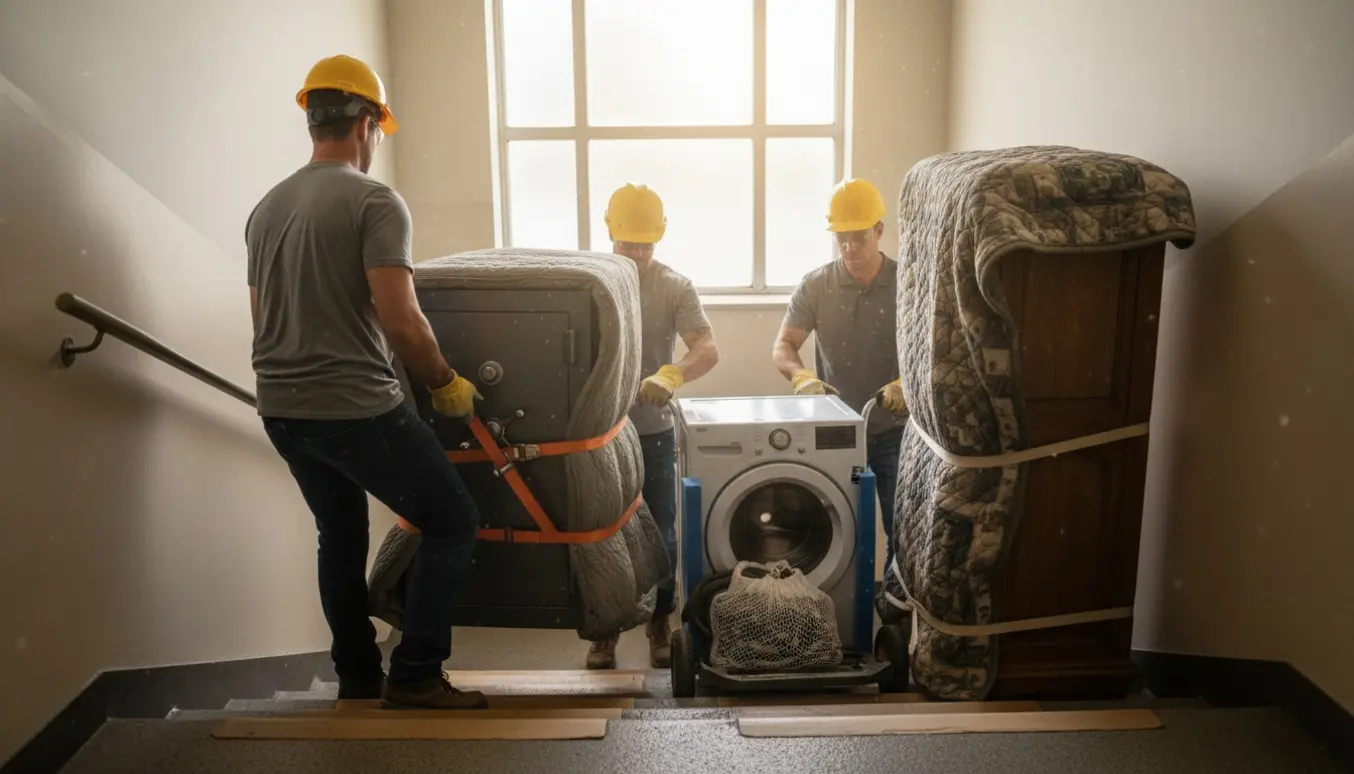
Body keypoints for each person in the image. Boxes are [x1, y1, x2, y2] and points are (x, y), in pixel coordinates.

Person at [246, 54, 487, 710]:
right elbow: (401, 319)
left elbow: (264, 315)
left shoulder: (268, 208)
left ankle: (356, 674)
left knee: (340, 533)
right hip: (352, 408)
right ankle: (414, 675)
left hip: (282, 409)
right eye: (380, 129)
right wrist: (443, 383)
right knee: (452, 519)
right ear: (366, 124)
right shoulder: (374, 201)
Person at [585, 183, 720, 670]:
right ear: (611, 234)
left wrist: (673, 373)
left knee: (662, 532)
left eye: (646, 244)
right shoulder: (590, 282)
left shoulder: (673, 286)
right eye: (629, 243)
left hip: (653, 431)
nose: (638, 253)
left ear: (659, 238)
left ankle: (660, 620)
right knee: (599, 534)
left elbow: (706, 347)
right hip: (597, 434)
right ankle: (603, 632)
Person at [771, 178, 908, 570]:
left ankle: (894, 612)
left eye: (859, 238)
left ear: (879, 231)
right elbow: (784, 346)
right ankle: (840, 610)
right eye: (841, 238)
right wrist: (801, 378)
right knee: (834, 528)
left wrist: (906, 383)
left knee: (901, 527)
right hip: (834, 432)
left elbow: (932, 350)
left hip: (892, 430)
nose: (849, 248)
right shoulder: (817, 285)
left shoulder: (906, 283)